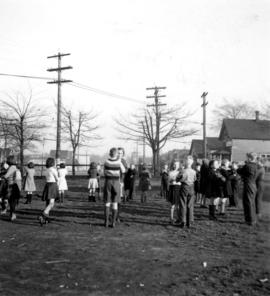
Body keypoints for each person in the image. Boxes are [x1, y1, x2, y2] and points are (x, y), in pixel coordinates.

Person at [103, 147, 125, 228]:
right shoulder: (119, 162)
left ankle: (106, 222)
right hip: (116, 183)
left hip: (108, 182)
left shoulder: (106, 162)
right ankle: (113, 222)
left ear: (110, 153)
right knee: (115, 202)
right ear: (116, 154)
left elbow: (104, 172)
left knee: (107, 202)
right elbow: (123, 170)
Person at [237, 152, 258, 226]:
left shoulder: (248, 165)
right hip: (253, 185)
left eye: (247, 157)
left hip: (248, 185)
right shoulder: (255, 165)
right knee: (252, 202)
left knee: (247, 202)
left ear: (249, 158)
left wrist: (239, 167)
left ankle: (249, 220)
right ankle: (253, 219)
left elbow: (239, 171)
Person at [177, 156, 197, 228]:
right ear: (192, 163)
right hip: (191, 187)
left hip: (184, 187)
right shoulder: (194, 171)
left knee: (182, 204)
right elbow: (195, 179)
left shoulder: (183, 171)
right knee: (190, 205)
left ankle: (183, 221)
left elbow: (178, 179)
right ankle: (190, 222)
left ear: (186, 162)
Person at [38, 157, 59, 225]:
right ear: (53, 163)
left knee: (48, 202)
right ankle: (43, 214)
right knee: (51, 203)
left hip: (47, 185)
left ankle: (46, 218)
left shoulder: (46, 170)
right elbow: (57, 178)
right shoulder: (53, 170)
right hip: (53, 185)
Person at [2, 156, 21, 221]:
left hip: (12, 186)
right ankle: (12, 214)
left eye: (7, 159)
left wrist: (3, 176)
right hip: (10, 185)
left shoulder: (12, 167)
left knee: (12, 201)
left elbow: (6, 176)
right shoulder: (11, 167)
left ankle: (12, 214)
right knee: (11, 201)